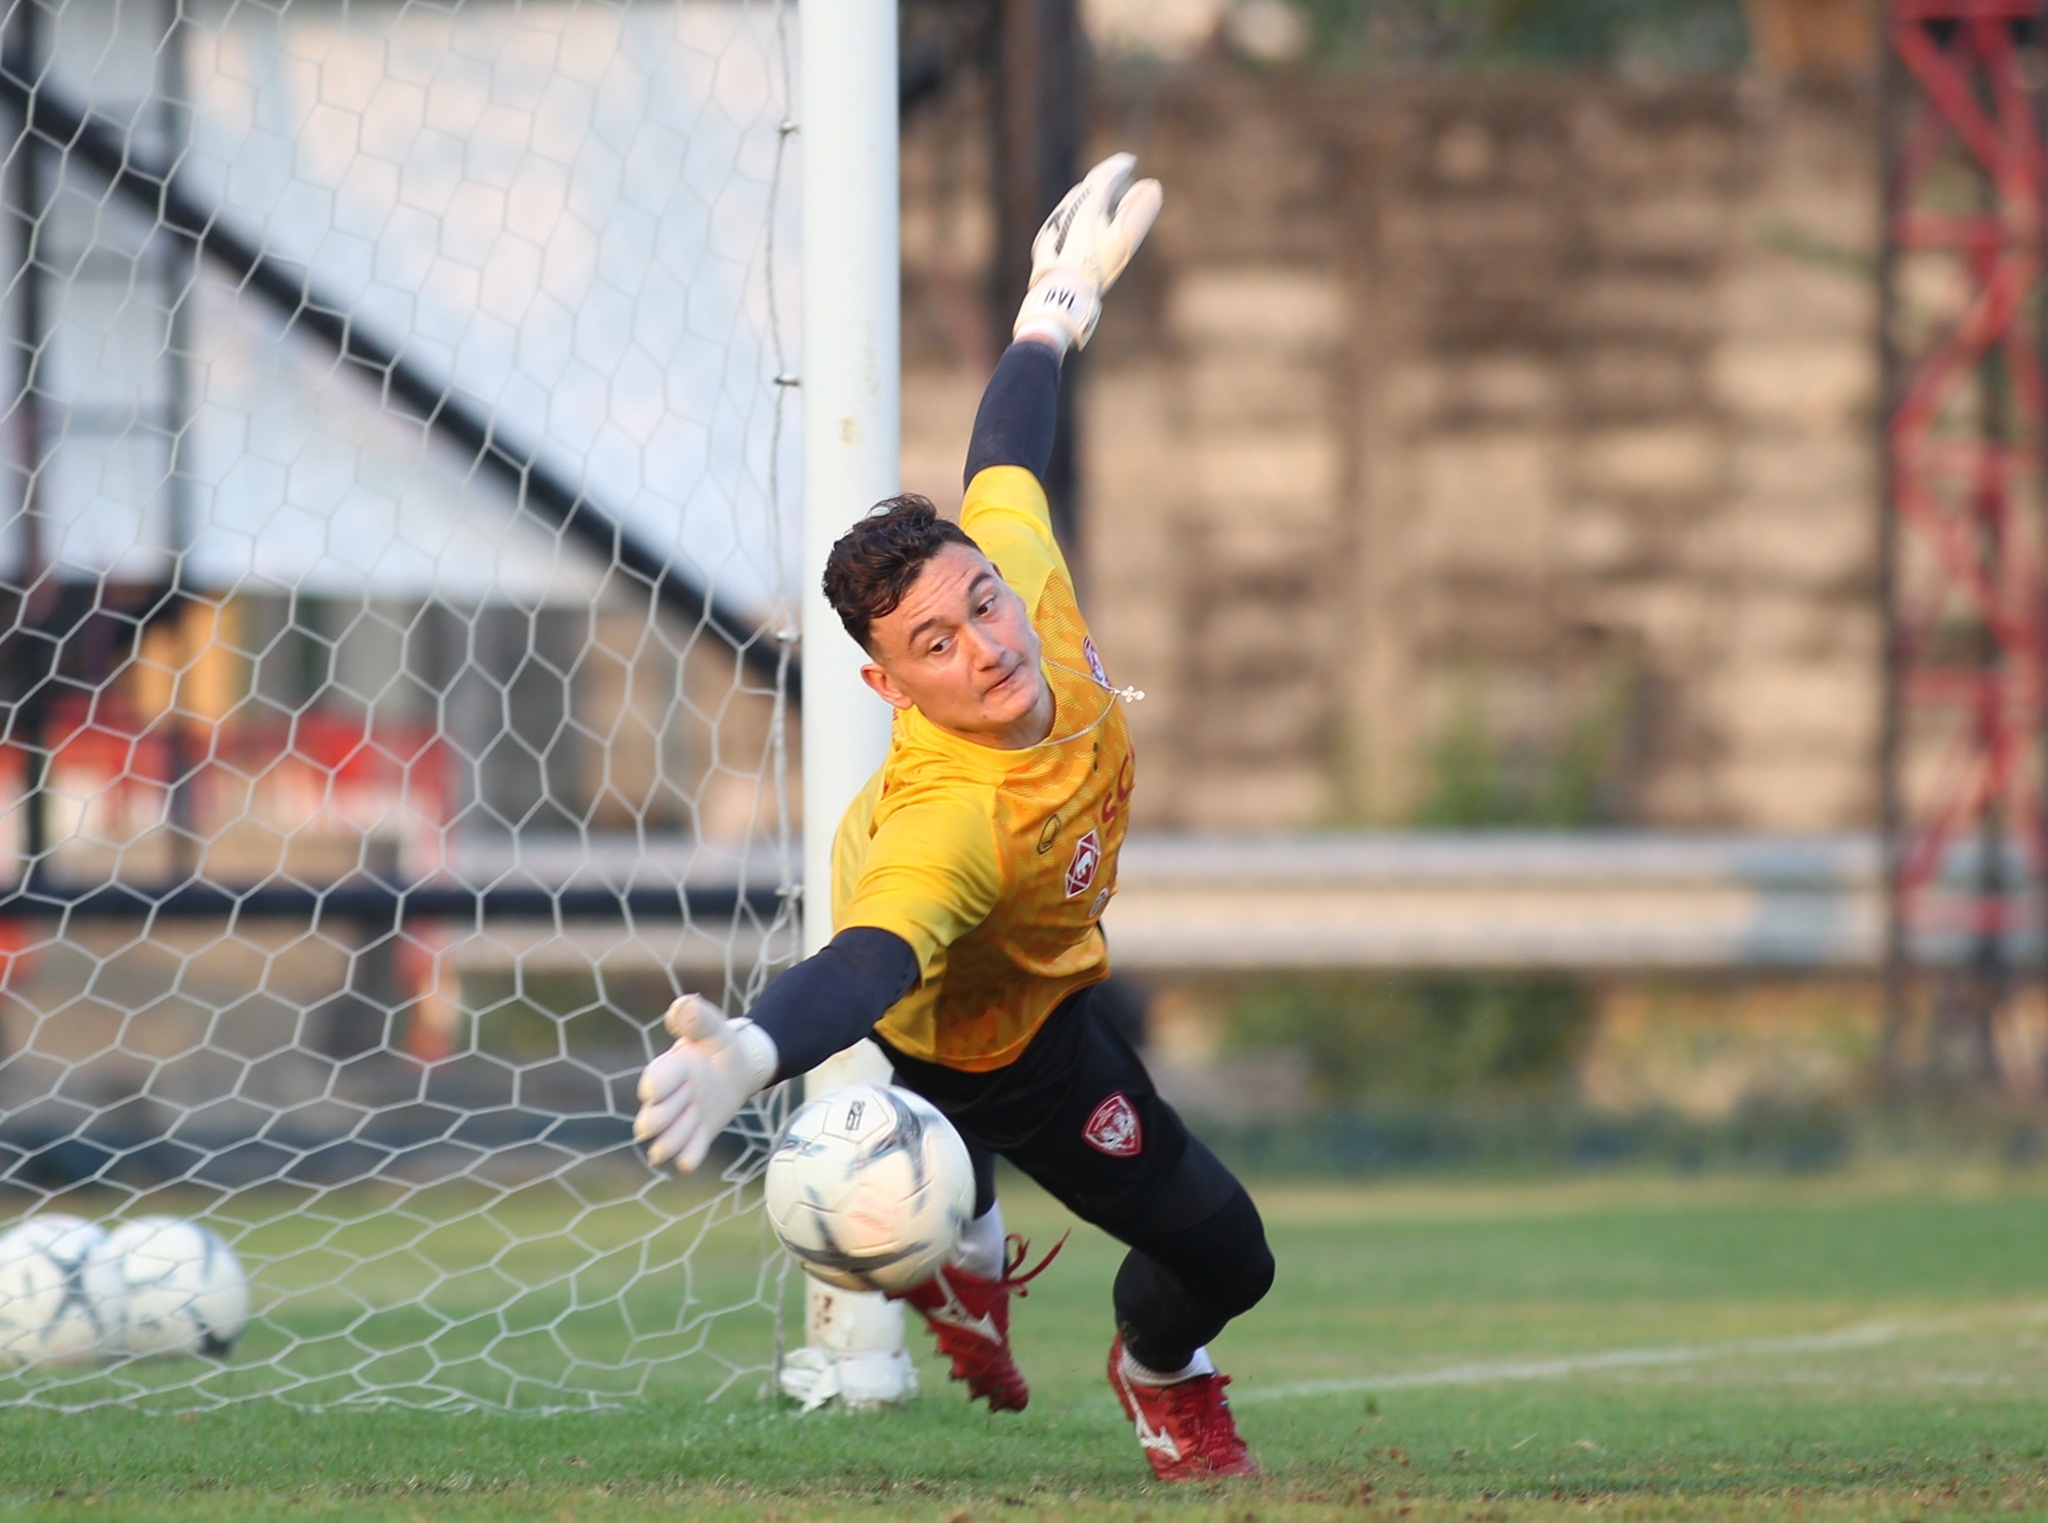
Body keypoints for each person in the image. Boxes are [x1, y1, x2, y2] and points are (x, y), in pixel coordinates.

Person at [634, 153, 1274, 1482]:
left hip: (1040, 975)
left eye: (980, 602)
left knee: (1215, 1257)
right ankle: (1113, 1349)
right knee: (1108, 1230)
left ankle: (1055, 1311)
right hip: (988, 1041)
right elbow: (867, 967)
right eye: (937, 641)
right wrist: (750, 1053)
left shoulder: (1021, 591)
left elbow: (1003, 458)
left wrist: (1055, 307)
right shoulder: (953, 822)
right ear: (888, 685)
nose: (986, 644)